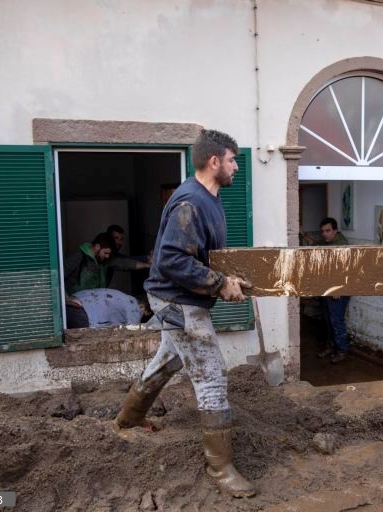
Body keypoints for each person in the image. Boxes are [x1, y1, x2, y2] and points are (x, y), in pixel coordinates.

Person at [113, 129, 256, 498]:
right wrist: (217, 283)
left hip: (180, 297)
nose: (236, 167)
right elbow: (172, 259)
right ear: (214, 162)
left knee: (169, 359)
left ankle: (128, 419)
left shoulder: (209, 197)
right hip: (178, 301)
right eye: (231, 160)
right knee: (211, 376)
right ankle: (220, 468)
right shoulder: (190, 202)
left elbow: (198, 254)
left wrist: (225, 277)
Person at [305, 217, 351, 364]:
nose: (325, 234)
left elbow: (345, 269)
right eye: (323, 231)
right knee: (329, 319)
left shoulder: (342, 246)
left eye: (328, 231)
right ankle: (331, 346)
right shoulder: (328, 242)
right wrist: (303, 234)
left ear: (335, 230)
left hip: (338, 290)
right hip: (327, 288)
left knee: (336, 320)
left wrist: (338, 289)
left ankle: (342, 351)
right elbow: (316, 244)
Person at [66, 288, 143, 328]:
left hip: (73, 302)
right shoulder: (135, 307)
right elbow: (131, 332)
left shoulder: (122, 296)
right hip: (84, 315)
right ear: (143, 306)